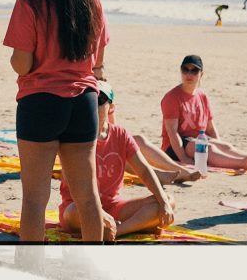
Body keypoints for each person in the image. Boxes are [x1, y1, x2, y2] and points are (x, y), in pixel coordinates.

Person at [3, 0, 108, 243]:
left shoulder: (30, 3)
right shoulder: (92, 2)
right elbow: (99, 63)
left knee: (35, 201)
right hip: (83, 104)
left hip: (41, 103)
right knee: (88, 197)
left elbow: (22, 65)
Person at [59, 81, 176, 239]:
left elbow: (143, 170)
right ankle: (130, 225)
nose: (94, 104)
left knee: (168, 201)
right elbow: (73, 182)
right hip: (80, 206)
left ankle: (116, 231)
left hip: (114, 207)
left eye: (100, 100)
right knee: (73, 211)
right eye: (90, 99)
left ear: (111, 107)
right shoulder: (75, 134)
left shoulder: (120, 134)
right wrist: (98, 212)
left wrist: (163, 203)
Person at [161, 55, 247, 170]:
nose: (189, 74)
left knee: (225, 146)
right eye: (185, 70)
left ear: (202, 74)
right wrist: (184, 158)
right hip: (175, 146)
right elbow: (172, 132)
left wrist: (219, 147)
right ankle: (242, 163)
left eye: (194, 70)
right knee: (208, 148)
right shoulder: (172, 97)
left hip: (197, 139)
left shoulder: (202, 96)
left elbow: (210, 128)